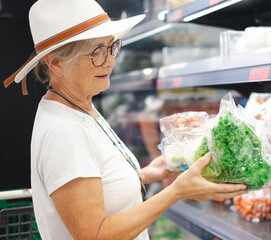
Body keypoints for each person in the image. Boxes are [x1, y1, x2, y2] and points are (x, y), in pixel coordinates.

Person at [3, 0, 248, 239]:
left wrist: (147, 174)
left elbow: (96, 186)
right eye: (95, 53)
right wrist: (176, 192)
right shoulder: (64, 130)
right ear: (56, 62)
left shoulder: (79, 106)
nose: (110, 61)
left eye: (111, 47)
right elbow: (94, 234)